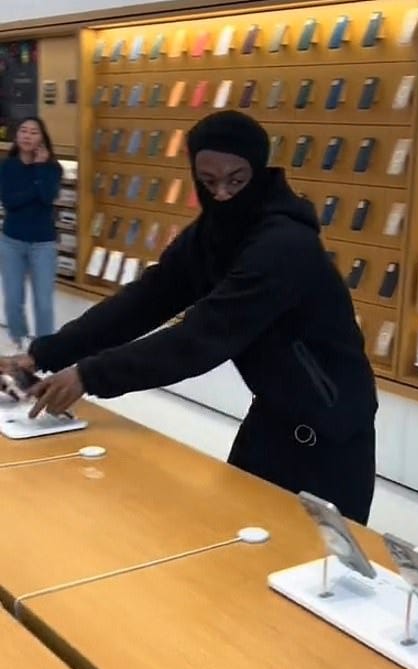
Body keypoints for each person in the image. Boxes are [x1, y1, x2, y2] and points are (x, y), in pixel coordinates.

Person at [0, 111, 378, 524]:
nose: (221, 195)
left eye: (236, 180)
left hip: (331, 437)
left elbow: (201, 339)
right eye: (208, 181)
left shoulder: (285, 244)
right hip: (271, 419)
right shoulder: (212, 232)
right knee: (229, 545)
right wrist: (42, 354)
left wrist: (89, 375)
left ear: (258, 169)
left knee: (319, 569)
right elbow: (144, 301)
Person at [0, 116, 62, 352]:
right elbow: (9, 201)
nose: (27, 136)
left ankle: (44, 350)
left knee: (44, 303)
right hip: (11, 241)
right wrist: (34, 190)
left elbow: (47, 197)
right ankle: (19, 341)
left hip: (43, 244)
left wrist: (39, 168)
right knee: (13, 300)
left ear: (42, 138)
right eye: (23, 131)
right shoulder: (7, 166)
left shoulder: (52, 168)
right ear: (16, 136)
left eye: (33, 132)